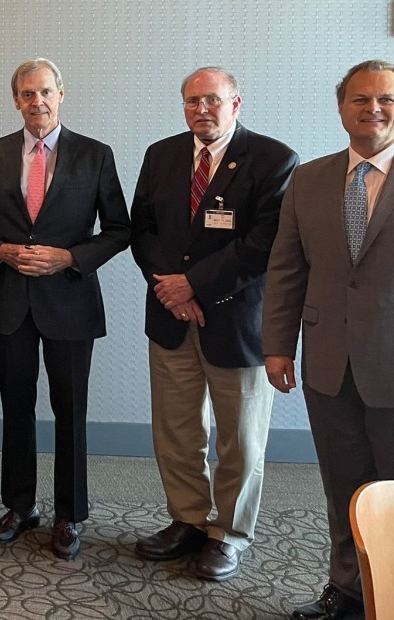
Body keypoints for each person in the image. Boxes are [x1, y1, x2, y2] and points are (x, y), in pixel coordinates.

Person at [130, 67, 297, 582]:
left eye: (212, 100)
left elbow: (263, 244)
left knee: (240, 439)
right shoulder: (161, 154)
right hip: (172, 316)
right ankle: (189, 520)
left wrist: (194, 286)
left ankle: (229, 534)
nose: (201, 109)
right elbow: (143, 229)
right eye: (191, 101)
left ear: (236, 103)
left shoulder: (274, 159)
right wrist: (171, 289)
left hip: (238, 321)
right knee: (177, 431)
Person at [0, 58, 130, 561]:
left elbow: (120, 230)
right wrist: (1, 250)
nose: (36, 102)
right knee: (16, 407)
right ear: (15, 100)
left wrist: (69, 257)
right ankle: (19, 506)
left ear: (62, 94)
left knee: (70, 410)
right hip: (9, 302)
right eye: (25, 94)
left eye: (45, 92)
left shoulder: (95, 155)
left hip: (69, 301)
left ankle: (69, 514)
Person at [264, 59, 394, 620]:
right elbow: (287, 269)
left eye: (386, 98)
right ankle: (348, 590)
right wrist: (276, 345)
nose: (373, 108)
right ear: (341, 109)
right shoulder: (310, 179)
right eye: (360, 99)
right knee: (343, 483)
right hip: (327, 363)